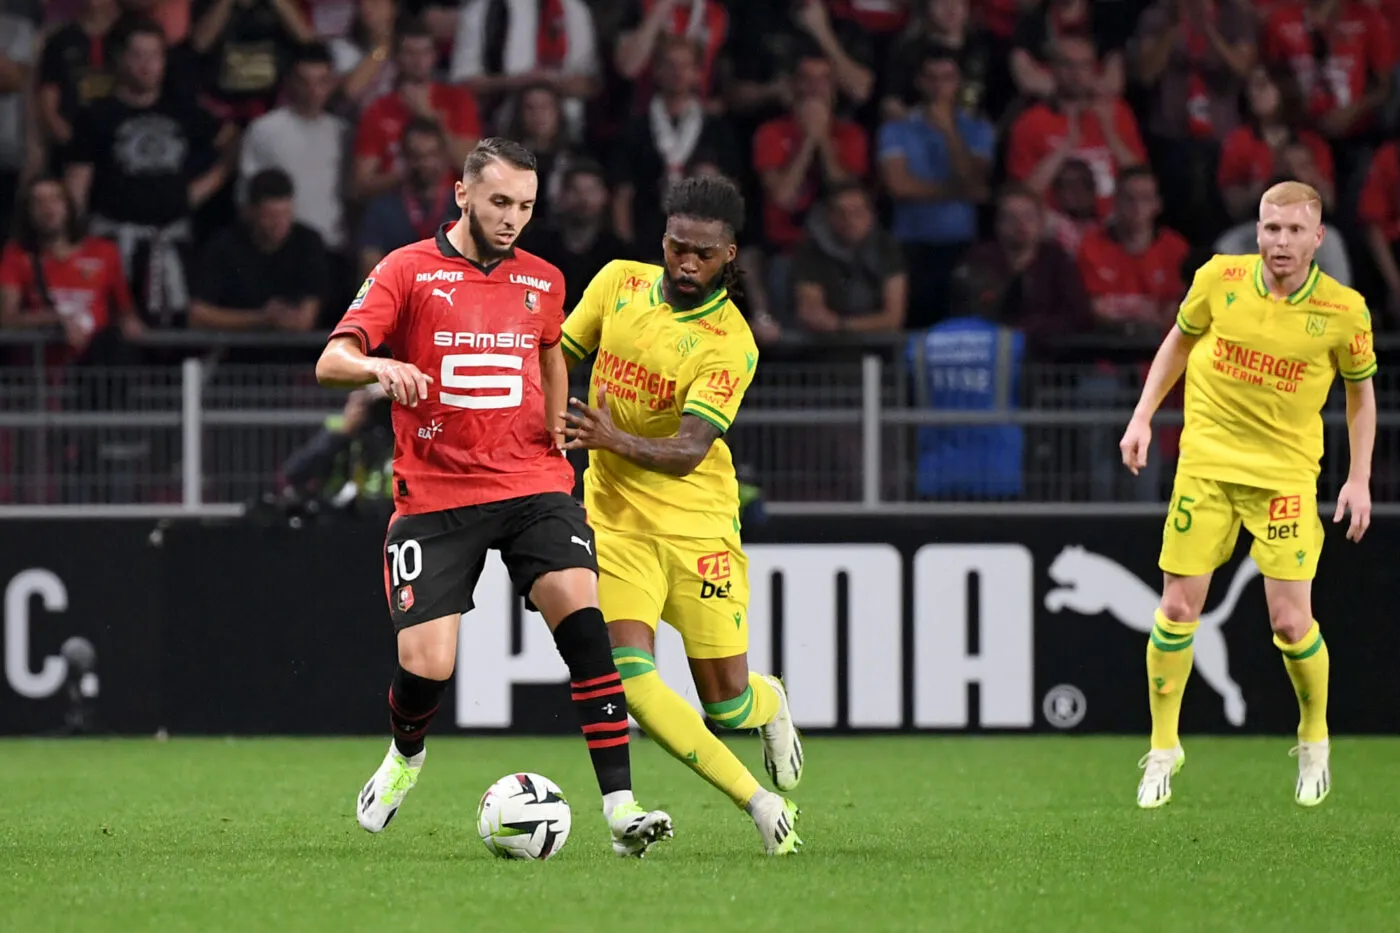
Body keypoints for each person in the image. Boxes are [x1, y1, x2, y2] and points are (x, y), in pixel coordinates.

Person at [314, 137, 673, 857]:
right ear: (462, 194)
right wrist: (378, 367)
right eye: (501, 202)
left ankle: (622, 808)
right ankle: (404, 759)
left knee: (583, 619)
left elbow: (550, 349)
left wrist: (557, 424)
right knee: (428, 666)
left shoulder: (543, 279)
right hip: (437, 494)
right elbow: (331, 361)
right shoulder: (406, 270)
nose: (513, 218)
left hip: (533, 483)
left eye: (526, 206)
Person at [556, 176, 803, 856]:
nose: (686, 264)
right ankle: (754, 799)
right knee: (629, 679)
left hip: (698, 526)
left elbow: (692, 448)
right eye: (677, 248)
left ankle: (771, 701)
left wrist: (612, 438)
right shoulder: (616, 284)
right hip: (615, 520)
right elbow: (555, 352)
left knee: (726, 704)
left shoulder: (731, 342)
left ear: (730, 255)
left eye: (703, 253)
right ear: (662, 241)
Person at [1119, 180, 1376, 810]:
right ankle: (1163, 748)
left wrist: (1359, 476)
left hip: (1284, 478)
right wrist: (1143, 415)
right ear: (1256, 231)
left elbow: (1361, 393)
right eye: (1270, 229)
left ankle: (1313, 736)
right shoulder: (1219, 278)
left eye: (1294, 231)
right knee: (1178, 610)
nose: (1280, 242)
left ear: (1318, 238)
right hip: (1205, 468)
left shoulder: (1344, 311)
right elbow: (1178, 340)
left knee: (1290, 622)